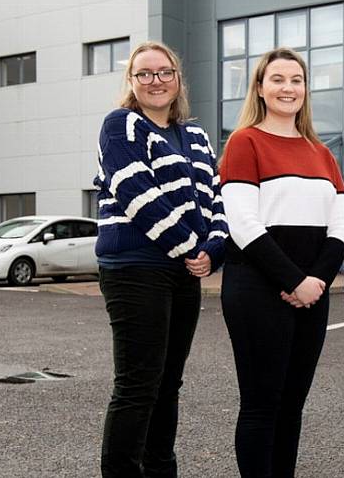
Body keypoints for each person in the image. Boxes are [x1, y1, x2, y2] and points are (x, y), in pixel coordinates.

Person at [93, 40, 228, 477]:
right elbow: (137, 194)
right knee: (137, 385)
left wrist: (213, 248)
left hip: (181, 271)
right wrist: (191, 247)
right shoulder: (121, 126)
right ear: (131, 82)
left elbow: (214, 196)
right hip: (134, 266)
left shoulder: (194, 134)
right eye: (145, 74)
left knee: (168, 385)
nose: (156, 81)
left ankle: (161, 470)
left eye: (164, 72)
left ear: (177, 78)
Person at [219, 47, 344, 477]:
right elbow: (242, 223)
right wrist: (294, 280)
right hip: (257, 289)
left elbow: (340, 228)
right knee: (261, 405)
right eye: (277, 79)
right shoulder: (245, 142)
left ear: (306, 89)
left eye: (296, 80)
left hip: (311, 294)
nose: (288, 88)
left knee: (292, 406)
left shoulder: (323, 153)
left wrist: (314, 281)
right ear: (260, 87)